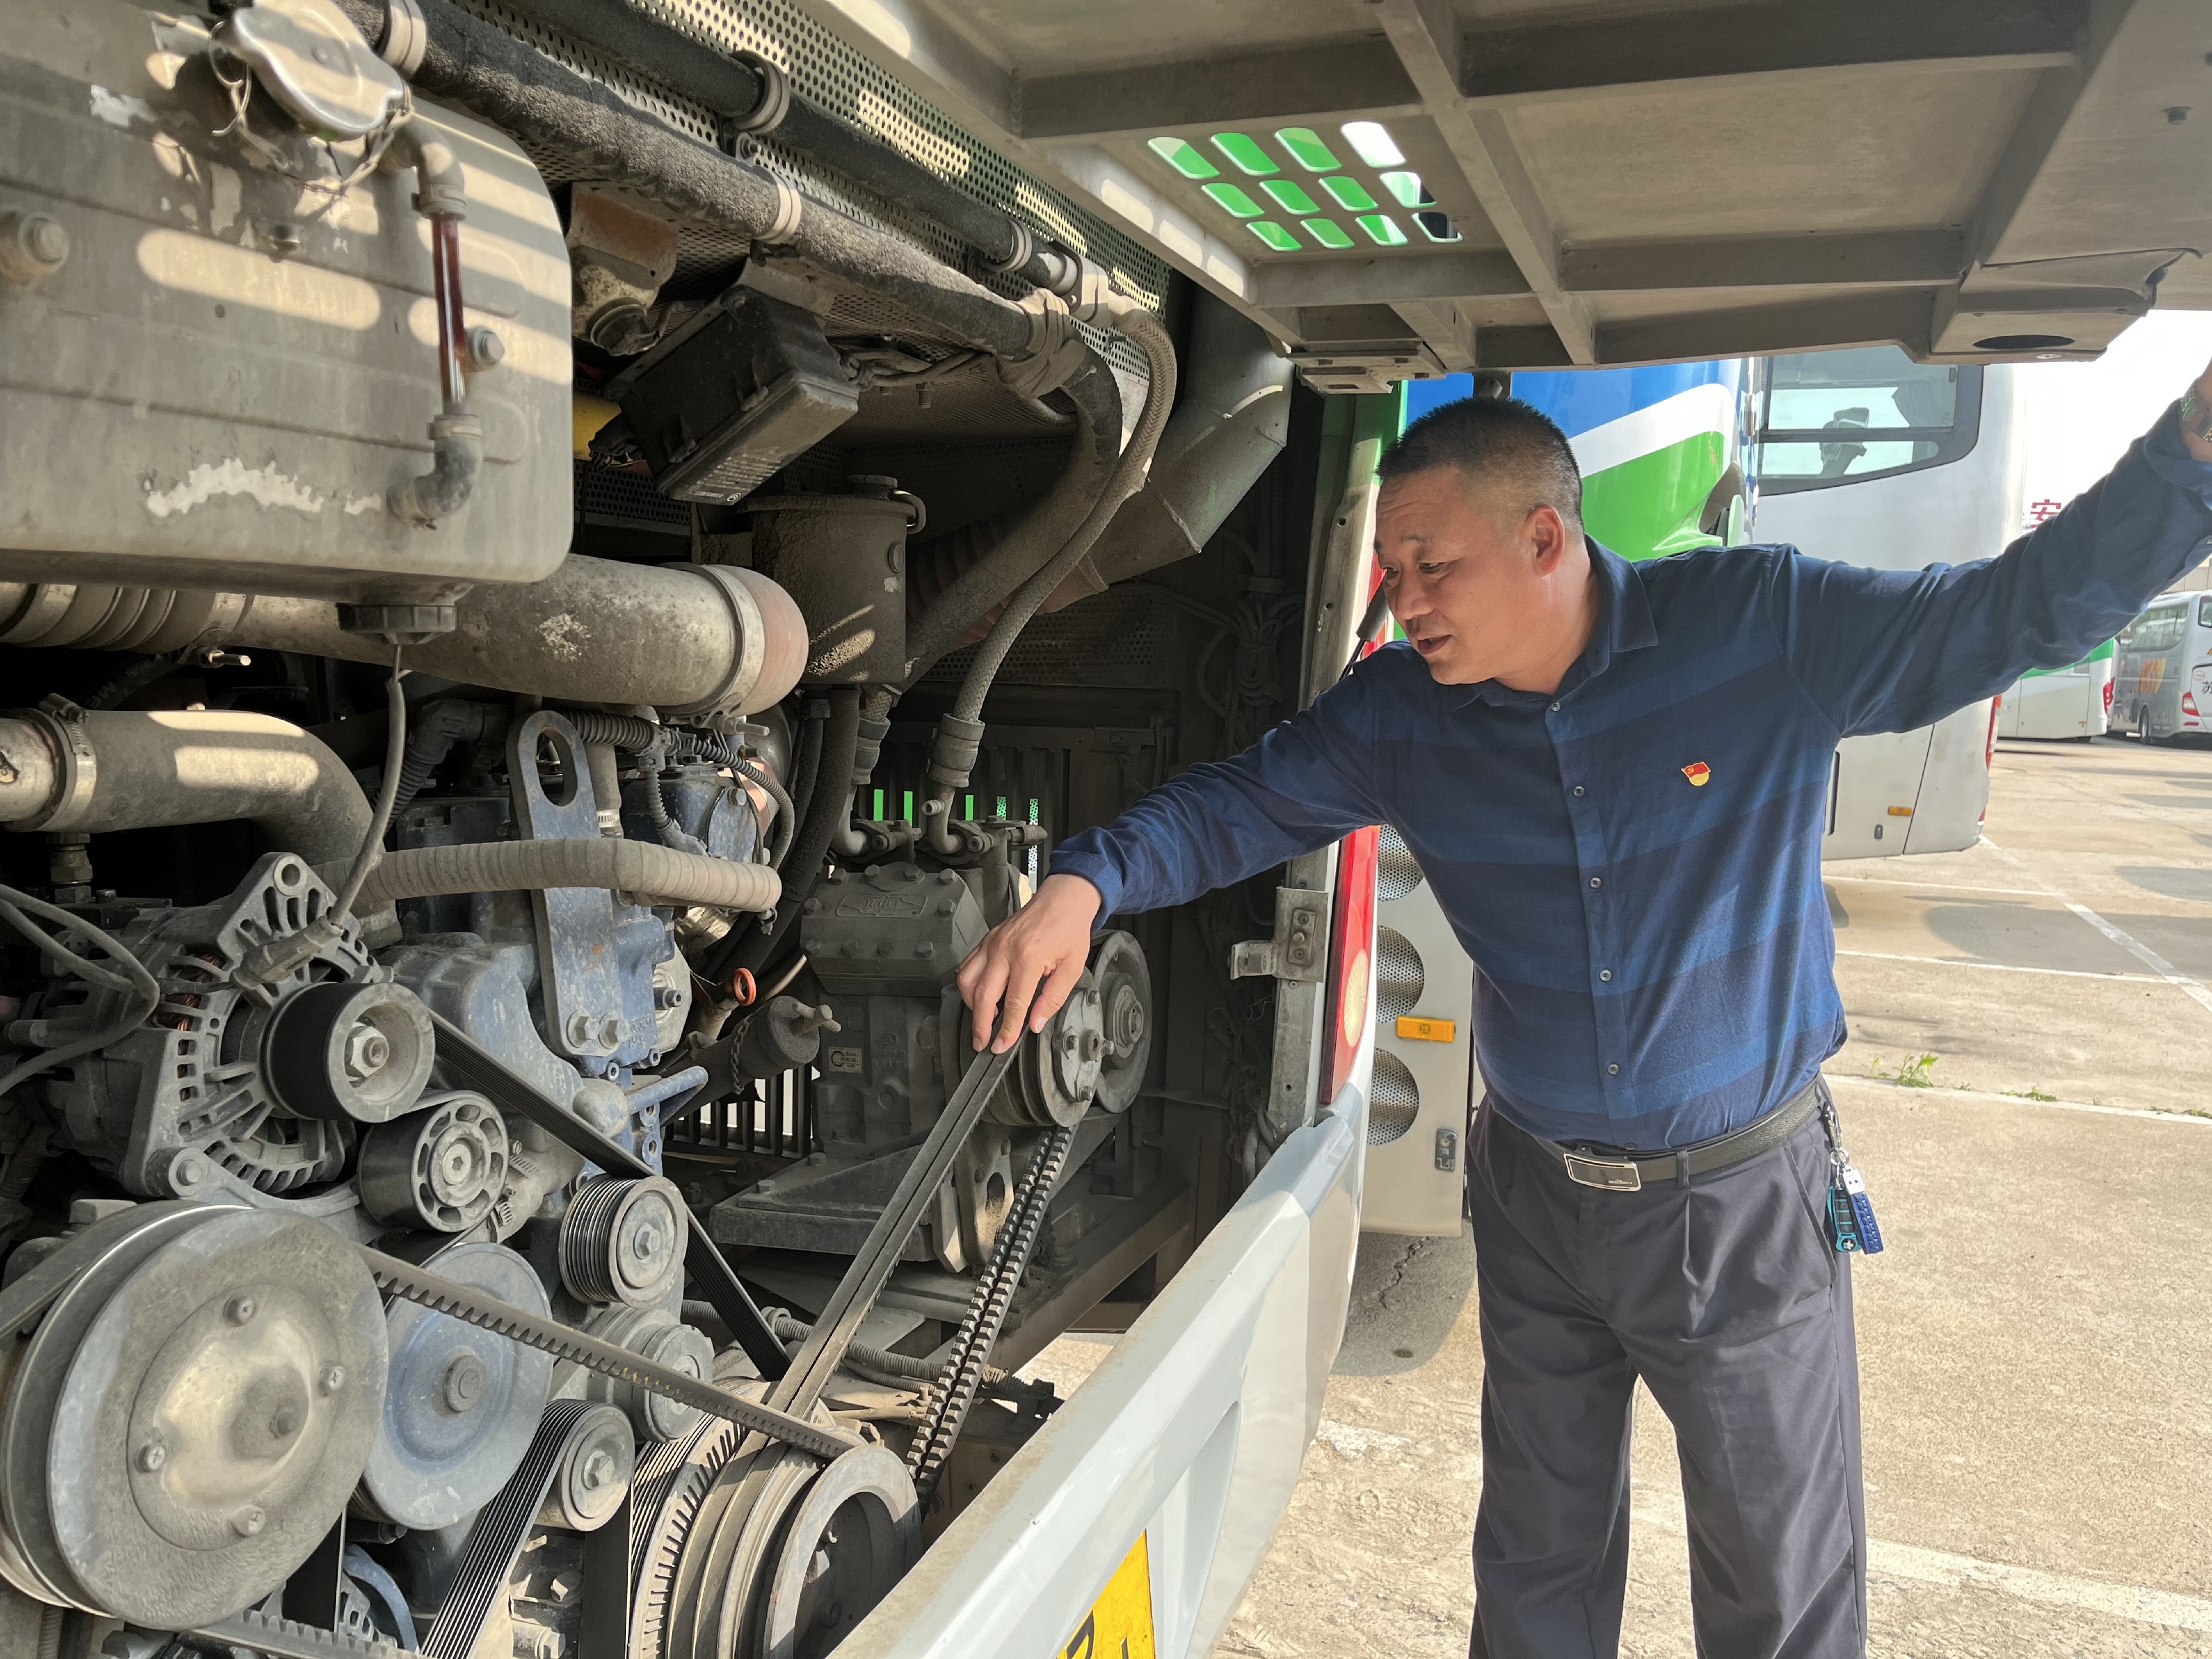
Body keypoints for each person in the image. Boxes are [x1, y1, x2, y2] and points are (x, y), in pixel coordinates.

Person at [956, 356, 2212, 1659]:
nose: (1404, 599)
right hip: (1537, 1203)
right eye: (1392, 568)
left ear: (1545, 540)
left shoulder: (1760, 628)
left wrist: (2185, 456)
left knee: (1777, 1579)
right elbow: (1233, 805)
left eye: (1433, 566)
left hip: (1737, 1209)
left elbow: (2013, 613)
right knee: (1535, 1564)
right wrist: (1084, 885)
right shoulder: (1399, 717)